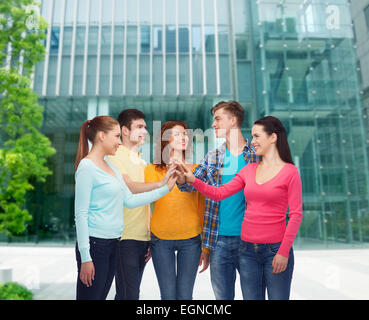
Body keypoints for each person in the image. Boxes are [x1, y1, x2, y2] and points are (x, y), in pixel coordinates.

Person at [176, 115, 303, 300]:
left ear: (273, 137)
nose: (253, 142)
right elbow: (219, 193)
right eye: (252, 136)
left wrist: (283, 252)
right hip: (247, 251)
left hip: (275, 250)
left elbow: (296, 214)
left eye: (257, 136)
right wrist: (192, 179)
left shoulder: (290, 172)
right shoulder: (248, 170)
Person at [74, 115, 176, 300]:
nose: (119, 142)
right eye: (116, 136)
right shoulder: (87, 166)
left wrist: (164, 188)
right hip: (95, 245)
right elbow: (80, 214)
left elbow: (129, 199)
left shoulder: (110, 167)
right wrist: (86, 257)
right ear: (102, 136)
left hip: (113, 243)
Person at [176, 101, 260, 300]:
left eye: (218, 119)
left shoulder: (257, 156)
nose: (213, 124)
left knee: (254, 296)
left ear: (233, 121)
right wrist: (180, 175)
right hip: (218, 241)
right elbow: (189, 185)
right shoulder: (212, 157)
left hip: (251, 241)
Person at [107, 109, 174, 300]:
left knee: (127, 294)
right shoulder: (114, 155)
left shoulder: (141, 160)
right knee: (129, 294)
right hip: (123, 238)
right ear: (125, 130)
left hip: (142, 238)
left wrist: (150, 235)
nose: (144, 131)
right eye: (139, 127)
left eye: (145, 127)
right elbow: (130, 188)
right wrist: (161, 184)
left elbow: (147, 204)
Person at [144, 120, 205, 300]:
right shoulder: (151, 170)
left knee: (185, 296)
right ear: (165, 140)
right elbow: (145, 204)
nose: (184, 137)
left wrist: (205, 245)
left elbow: (202, 205)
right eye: (177, 134)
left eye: (185, 134)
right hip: (160, 239)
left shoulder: (197, 170)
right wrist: (147, 235)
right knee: (168, 296)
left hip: (192, 239)